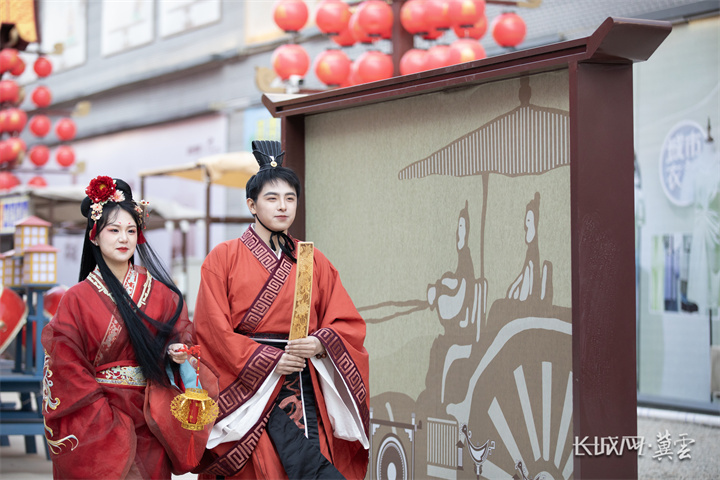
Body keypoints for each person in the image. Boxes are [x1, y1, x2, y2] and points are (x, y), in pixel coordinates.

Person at [193, 140, 370, 479]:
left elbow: (346, 321)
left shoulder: (312, 259)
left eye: (290, 198)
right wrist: (269, 360)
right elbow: (211, 330)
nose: (283, 207)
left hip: (303, 380)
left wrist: (319, 342)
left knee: (313, 461)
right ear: (252, 205)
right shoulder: (223, 257)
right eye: (272, 198)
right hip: (248, 387)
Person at [41, 176, 214, 479]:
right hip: (95, 416)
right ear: (94, 237)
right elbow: (66, 367)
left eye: (131, 230)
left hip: (151, 414)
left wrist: (178, 352)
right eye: (114, 230)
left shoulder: (163, 295)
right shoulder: (75, 299)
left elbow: (182, 337)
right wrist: (103, 418)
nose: (124, 238)